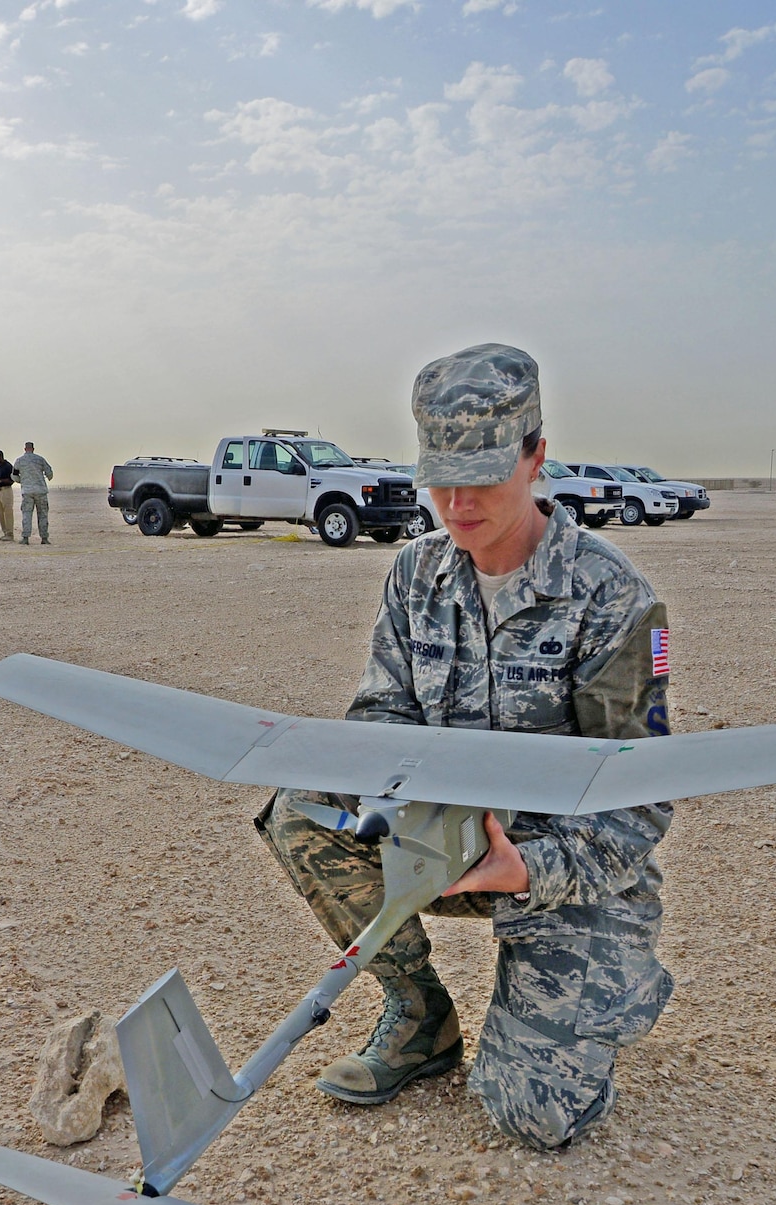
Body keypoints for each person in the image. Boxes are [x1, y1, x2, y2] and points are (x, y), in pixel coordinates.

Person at [257, 343, 671, 1150]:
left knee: (531, 1112)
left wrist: (531, 870)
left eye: (482, 473)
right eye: (440, 475)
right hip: (441, 841)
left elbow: (639, 801)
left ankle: (610, 984)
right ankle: (420, 1015)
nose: (457, 500)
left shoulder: (613, 597)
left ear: (536, 456)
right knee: (304, 810)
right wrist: (390, 803)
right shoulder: (416, 574)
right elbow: (380, 712)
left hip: (563, 875)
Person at [15, 442, 53, 545]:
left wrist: (22, 480)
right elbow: (49, 473)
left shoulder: (19, 460)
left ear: (25, 449)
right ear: (33, 449)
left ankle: (25, 538)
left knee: (26, 514)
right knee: (43, 515)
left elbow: (14, 475)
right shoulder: (40, 459)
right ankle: (44, 538)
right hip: (40, 491)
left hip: (27, 492)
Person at [0, 450, 16, 541]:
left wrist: (0, 480)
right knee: (0, 512)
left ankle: (10, 533)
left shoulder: (8, 466)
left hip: (6, 490)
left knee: (8, 511)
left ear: (1, 457)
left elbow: (12, 480)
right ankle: (5, 532)